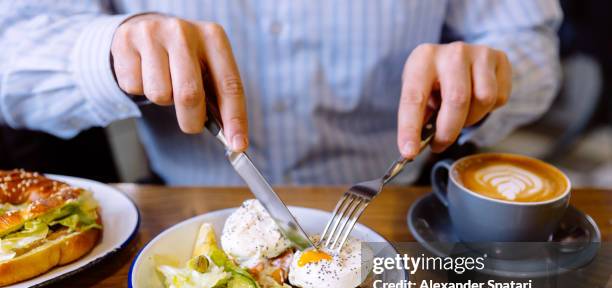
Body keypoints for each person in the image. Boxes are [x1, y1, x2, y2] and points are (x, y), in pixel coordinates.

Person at [0, 1, 561, 185]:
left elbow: (528, 39)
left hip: (401, 216)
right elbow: (13, 53)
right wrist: (111, 50)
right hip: (179, 210)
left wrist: (489, 70)